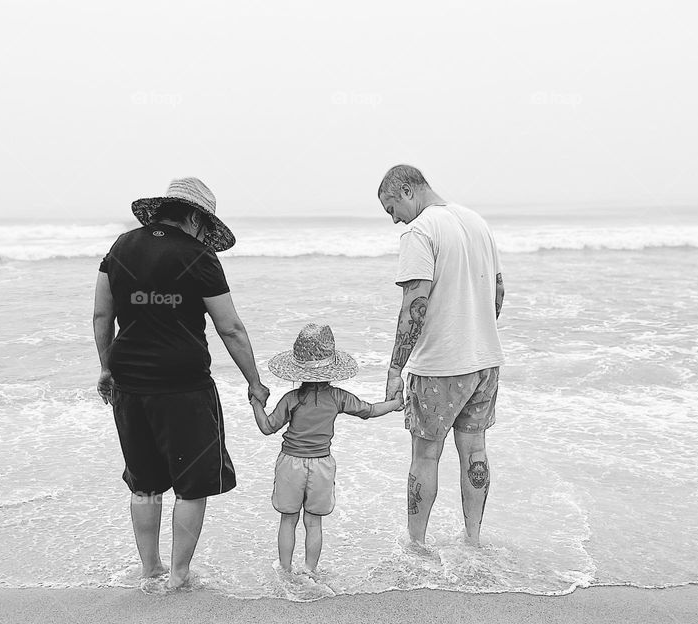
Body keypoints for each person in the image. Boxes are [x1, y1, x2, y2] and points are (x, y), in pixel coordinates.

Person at [93, 176, 270, 589]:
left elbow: (102, 316)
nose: (206, 235)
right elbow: (231, 329)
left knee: (145, 484)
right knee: (191, 486)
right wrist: (255, 382)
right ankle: (178, 575)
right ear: (193, 217)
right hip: (184, 388)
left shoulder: (121, 246)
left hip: (130, 386)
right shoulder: (199, 257)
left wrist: (106, 368)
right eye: (206, 227)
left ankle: (150, 569)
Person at [377, 165, 505, 546]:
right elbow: (498, 291)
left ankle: (416, 544)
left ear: (406, 190)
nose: (395, 220)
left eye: (391, 209)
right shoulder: (477, 222)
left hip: (440, 366)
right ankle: (473, 540)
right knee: (475, 450)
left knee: (426, 455)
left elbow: (414, 304)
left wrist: (395, 368)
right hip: (485, 359)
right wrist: (476, 331)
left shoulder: (420, 230)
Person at [249, 324, 401, 573]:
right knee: (314, 521)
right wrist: (394, 403)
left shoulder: (292, 399)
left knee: (288, 520)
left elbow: (267, 427)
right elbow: (370, 411)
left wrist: (256, 403)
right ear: (333, 369)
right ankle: (310, 569)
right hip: (321, 464)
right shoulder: (338, 398)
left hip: (291, 463)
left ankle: (285, 570)